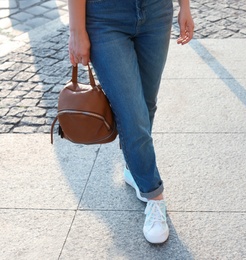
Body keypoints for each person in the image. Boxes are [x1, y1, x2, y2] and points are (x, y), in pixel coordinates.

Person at [67, 0, 194, 244]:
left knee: (146, 104)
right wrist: (76, 30)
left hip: (157, 12)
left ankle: (133, 168)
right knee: (132, 113)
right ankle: (153, 194)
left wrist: (185, 7)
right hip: (105, 17)